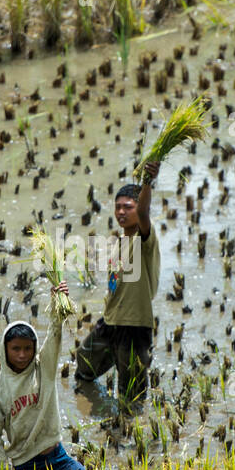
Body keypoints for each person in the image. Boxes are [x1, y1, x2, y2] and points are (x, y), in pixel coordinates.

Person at [0, 282, 94, 470]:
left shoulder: (44, 368)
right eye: (15, 348)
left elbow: (54, 335)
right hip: (23, 465)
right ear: (4, 349)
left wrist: (58, 305)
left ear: (34, 348)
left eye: (28, 348)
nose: (22, 355)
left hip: (55, 456)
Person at [74, 160, 161, 418]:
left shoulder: (144, 239)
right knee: (84, 365)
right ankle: (98, 410)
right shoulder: (119, 241)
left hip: (134, 326)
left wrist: (147, 182)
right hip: (111, 322)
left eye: (129, 207)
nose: (122, 212)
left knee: (130, 392)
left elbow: (145, 214)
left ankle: (130, 435)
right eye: (118, 207)